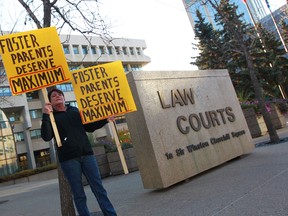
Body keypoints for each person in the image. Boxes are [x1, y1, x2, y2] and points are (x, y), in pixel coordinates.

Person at [41, 88, 117, 216]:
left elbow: (89, 127)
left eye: (60, 94)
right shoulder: (51, 117)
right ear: (50, 102)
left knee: (99, 189)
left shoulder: (74, 110)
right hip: (69, 160)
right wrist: (45, 115)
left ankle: (111, 214)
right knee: (78, 193)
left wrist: (105, 119)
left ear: (64, 98)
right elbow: (46, 136)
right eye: (54, 96)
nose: (57, 96)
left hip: (87, 155)